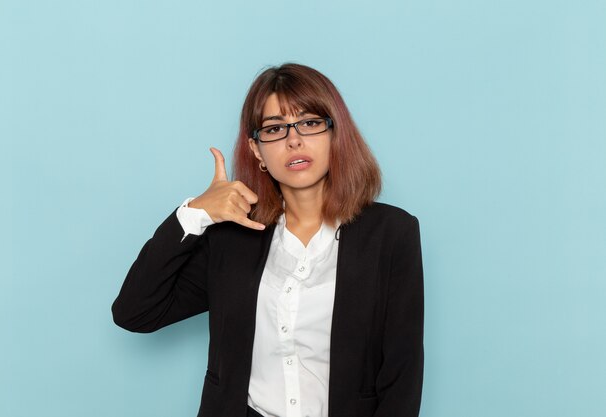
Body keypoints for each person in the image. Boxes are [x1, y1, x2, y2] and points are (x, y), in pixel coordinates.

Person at [112, 63, 424, 417]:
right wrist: (196, 213)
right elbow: (134, 313)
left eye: (309, 123)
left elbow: (402, 375)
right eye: (275, 129)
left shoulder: (392, 234)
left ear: (335, 134)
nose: (294, 140)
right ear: (257, 150)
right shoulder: (232, 237)